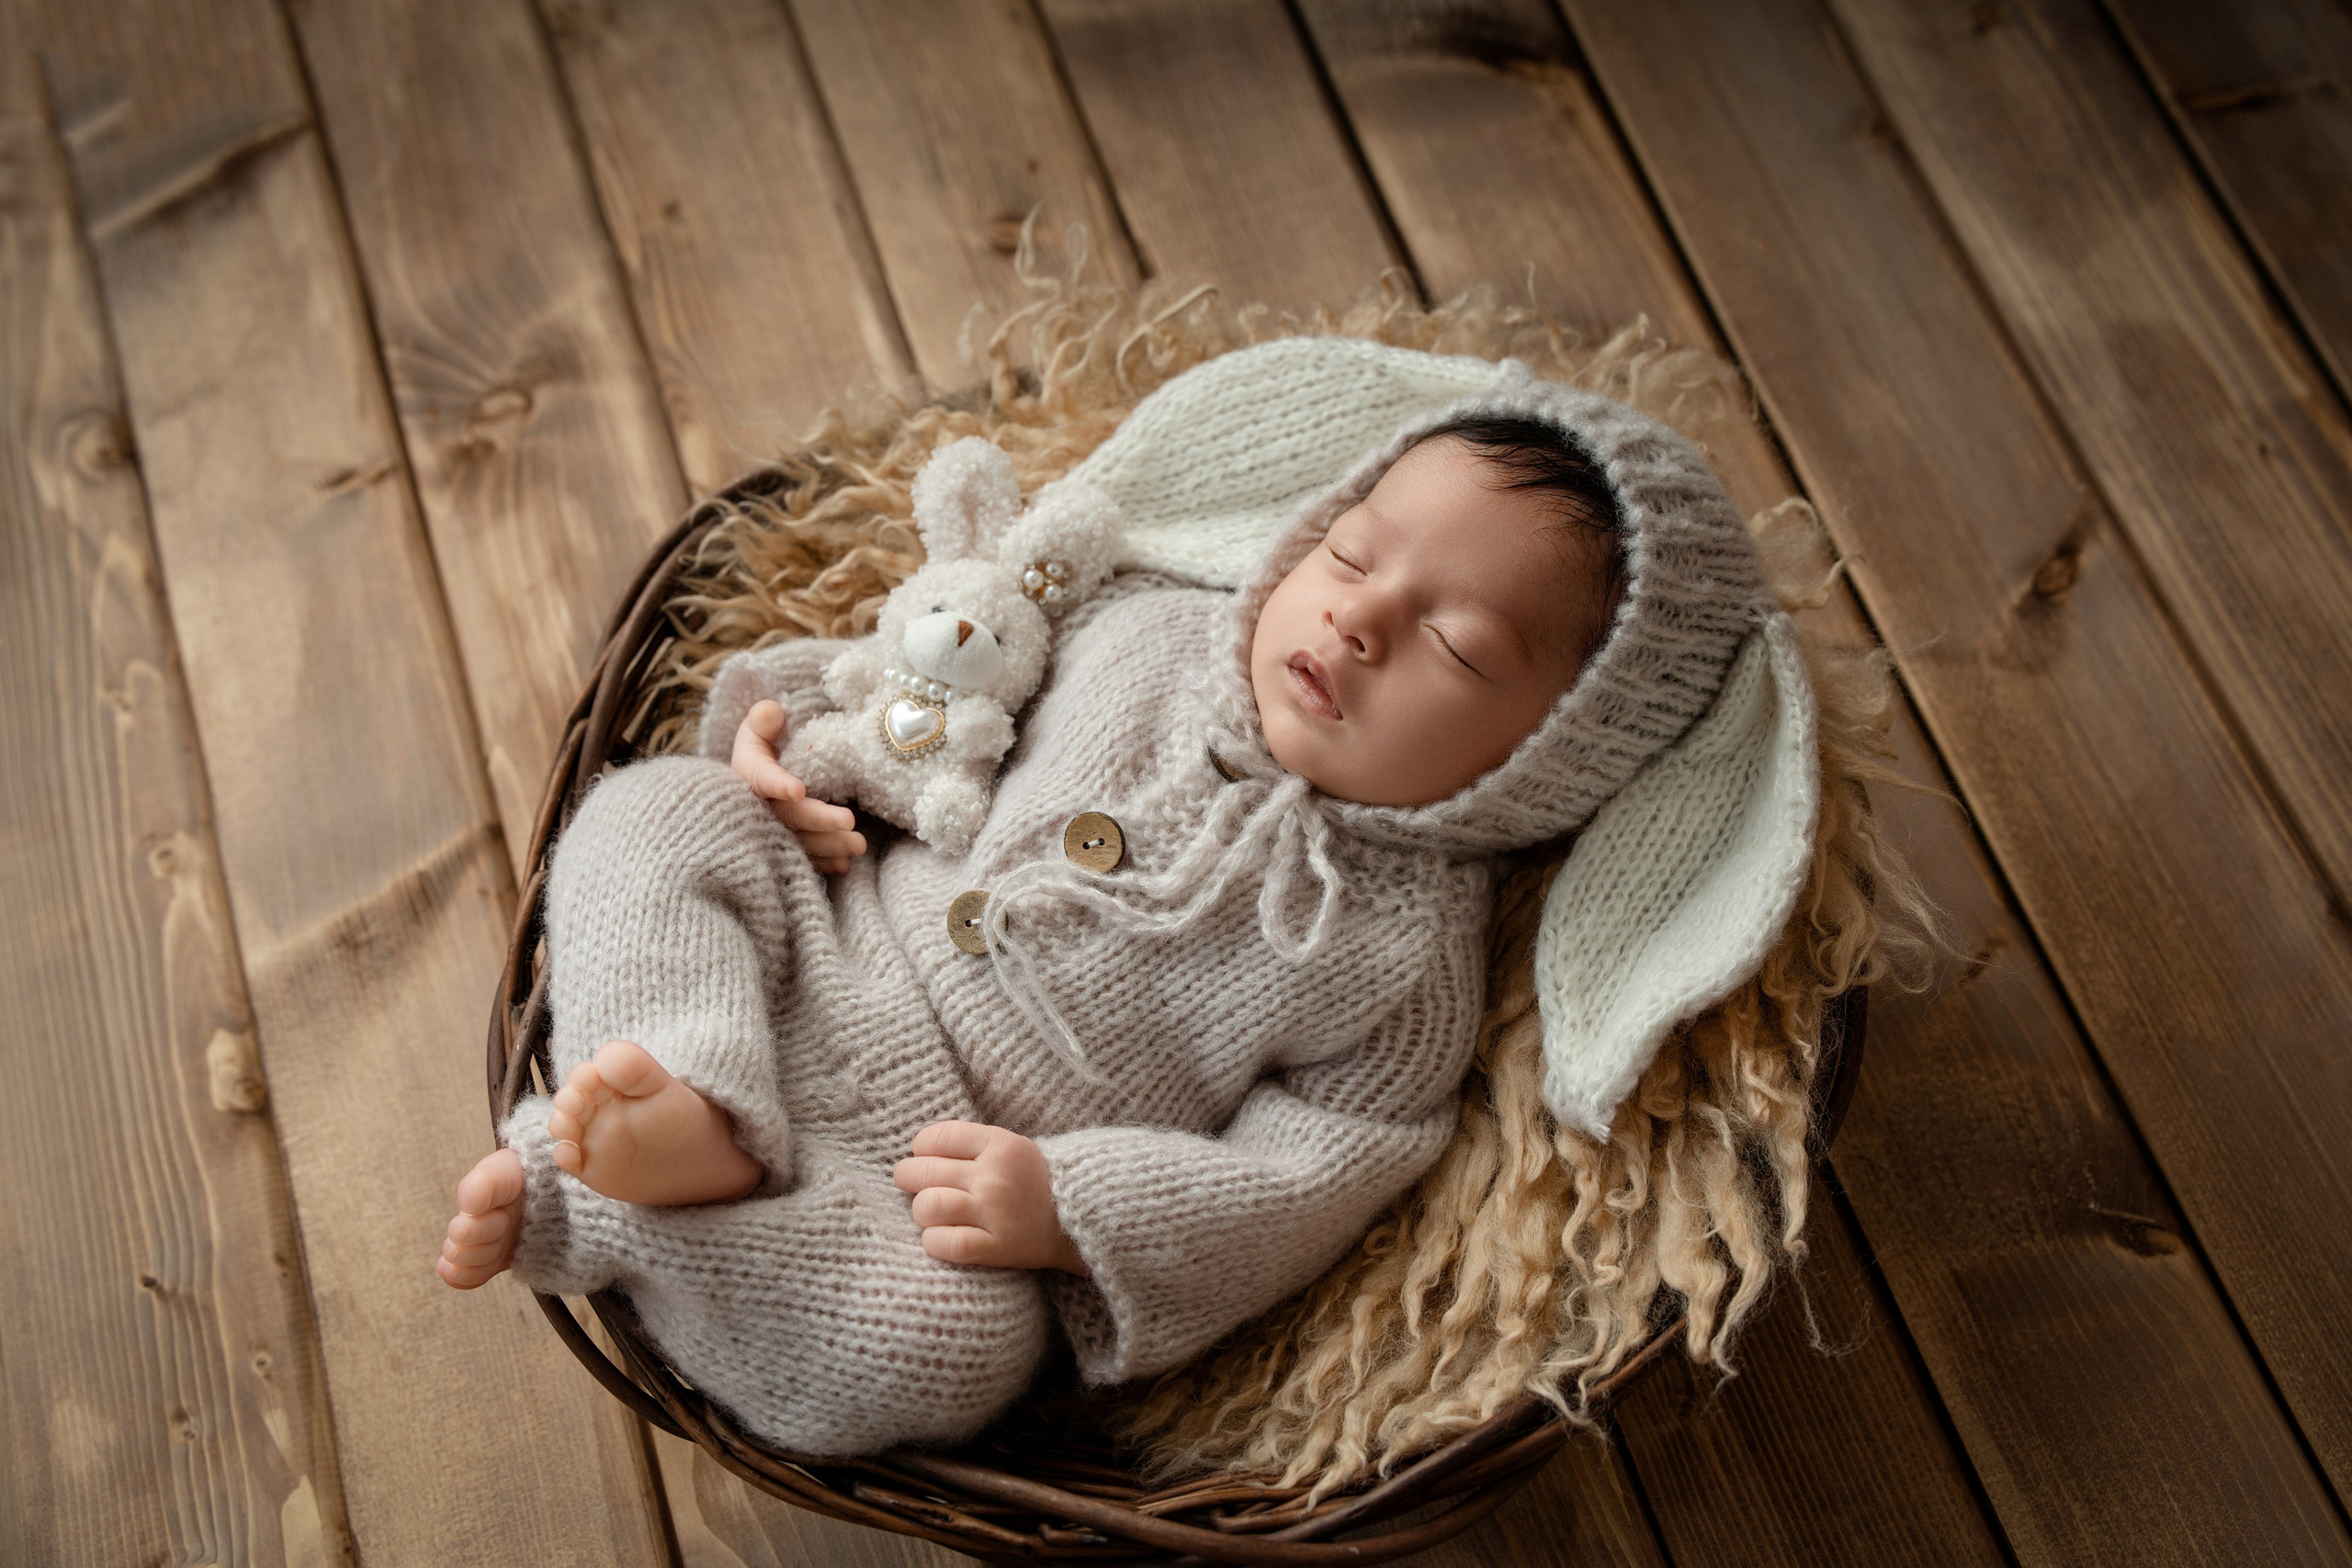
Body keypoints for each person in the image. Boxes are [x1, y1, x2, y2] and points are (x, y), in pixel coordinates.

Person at [435, 363, 1786, 1459]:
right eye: (1351, 552)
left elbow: (1305, 1176)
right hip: (820, 954)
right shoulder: (1145, 628)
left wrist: (1073, 1209)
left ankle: (624, 1204)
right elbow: (934, 677)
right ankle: (693, 1090)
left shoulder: (1405, 964)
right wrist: (790, 754)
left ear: (1553, 758)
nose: (1360, 619)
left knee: (948, 1353)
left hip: (926, 1191)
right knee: (659, 815)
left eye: (1457, 646)